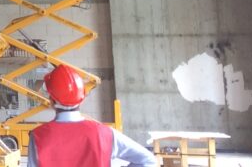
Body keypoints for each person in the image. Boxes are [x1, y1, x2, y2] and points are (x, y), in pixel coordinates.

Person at [28, 65, 158, 167]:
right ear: (82, 98)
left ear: (51, 101)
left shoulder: (38, 137)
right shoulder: (105, 134)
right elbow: (148, 161)